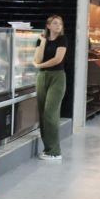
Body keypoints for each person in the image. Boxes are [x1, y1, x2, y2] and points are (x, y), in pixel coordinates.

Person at [33, 14, 68, 161]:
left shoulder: (62, 40)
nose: (58, 26)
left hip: (57, 77)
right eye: (55, 23)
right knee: (42, 113)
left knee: (50, 114)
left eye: (60, 23)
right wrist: (42, 42)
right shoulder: (42, 40)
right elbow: (37, 58)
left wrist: (40, 66)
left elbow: (57, 60)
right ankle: (47, 149)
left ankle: (55, 151)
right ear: (48, 26)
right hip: (42, 77)